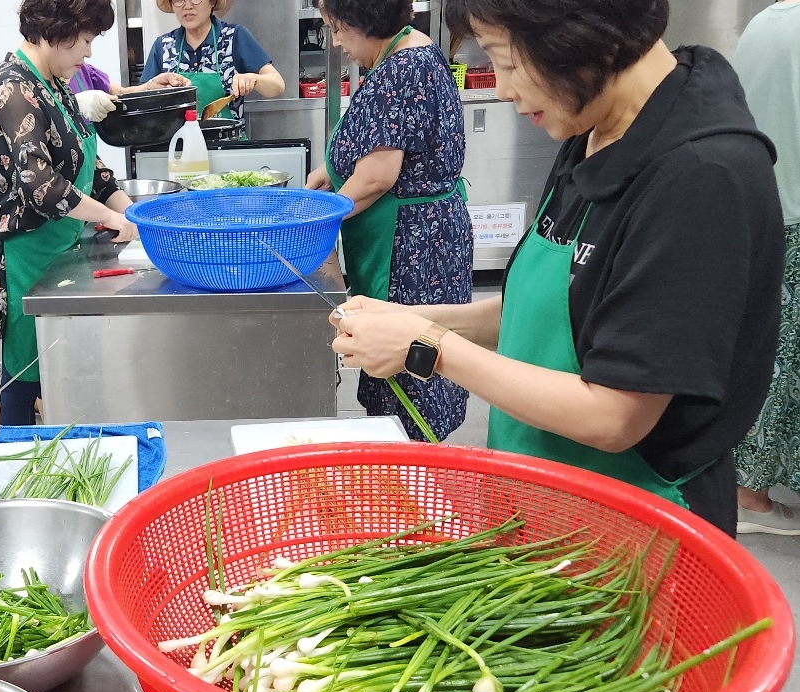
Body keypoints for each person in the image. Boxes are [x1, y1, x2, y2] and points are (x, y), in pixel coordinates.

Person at [330, 0, 786, 537]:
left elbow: (613, 416)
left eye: (507, 60)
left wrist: (427, 346)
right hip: (545, 498)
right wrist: (409, 318)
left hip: (634, 528)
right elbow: (547, 308)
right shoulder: (596, 127)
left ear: (582, 33)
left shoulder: (703, 178)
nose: (501, 88)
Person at [306, 0, 472, 441]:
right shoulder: (407, 53)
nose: (337, 41)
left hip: (411, 250)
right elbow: (381, 140)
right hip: (419, 235)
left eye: (337, 29)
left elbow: (378, 175)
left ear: (365, 21)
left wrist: (313, 222)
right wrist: (331, 171)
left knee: (408, 365)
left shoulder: (403, 67)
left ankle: (412, 476)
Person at [0, 0, 139, 426]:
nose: (88, 54)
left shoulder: (53, 81)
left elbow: (89, 166)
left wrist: (130, 211)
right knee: (27, 375)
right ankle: (5, 464)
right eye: (85, 41)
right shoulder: (12, 90)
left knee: (61, 369)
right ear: (56, 32)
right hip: (27, 257)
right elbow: (43, 188)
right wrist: (108, 218)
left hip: (62, 247)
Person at [732, 0, 800, 535]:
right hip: (795, 212)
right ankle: (750, 493)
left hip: (759, 203)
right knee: (781, 354)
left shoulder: (764, 21)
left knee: (761, 345)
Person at [142, 0, 285, 120]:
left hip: (228, 148)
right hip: (179, 148)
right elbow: (144, 100)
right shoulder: (163, 46)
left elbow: (277, 85)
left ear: (212, 2)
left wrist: (253, 79)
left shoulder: (233, 37)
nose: (187, 5)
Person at [70, 61, 190, 121]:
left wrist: (151, 86)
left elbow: (119, 93)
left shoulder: (83, 71)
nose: (88, 52)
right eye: (86, 41)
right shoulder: (50, 88)